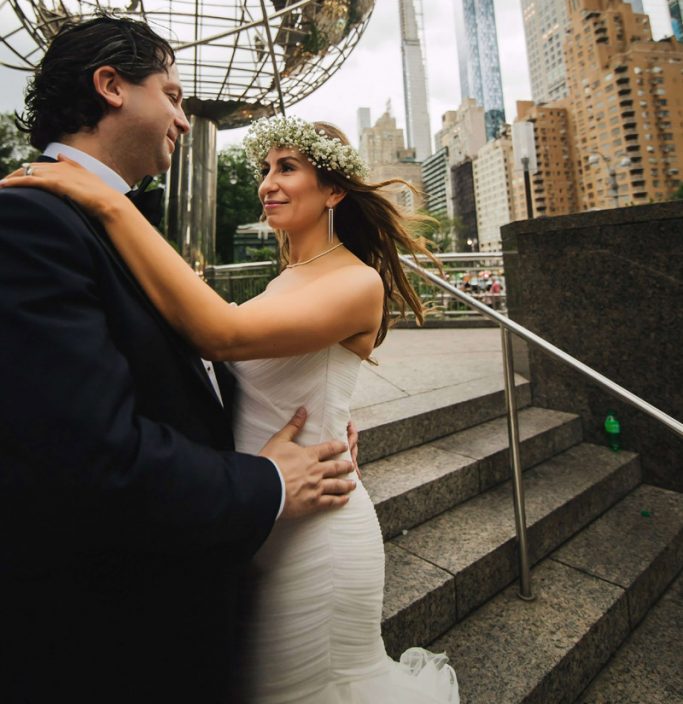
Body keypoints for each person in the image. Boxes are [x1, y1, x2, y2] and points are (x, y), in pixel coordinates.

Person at [2, 112, 459, 703]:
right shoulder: (283, 281)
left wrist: (108, 203)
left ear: (335, 190)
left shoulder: (358, 282)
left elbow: (220, 335)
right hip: (256, 511)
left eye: (288, 168)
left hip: (316, 536)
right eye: (266, 168)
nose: (268, 183)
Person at [0, 17, 357, 704]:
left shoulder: (99, 215)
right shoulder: (30, 219)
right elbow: (92, 461)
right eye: (170, 94)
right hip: (109, 640)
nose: (184, 120)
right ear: (110, 86)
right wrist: (264, 483)